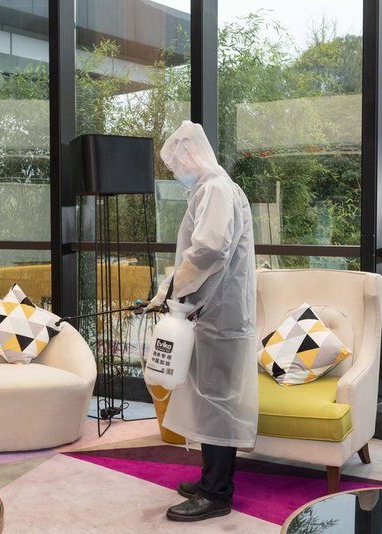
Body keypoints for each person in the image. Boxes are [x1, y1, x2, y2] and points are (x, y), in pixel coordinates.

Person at [147, 120, 258, 522]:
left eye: (177, 162)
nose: (177, 170)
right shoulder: (215, 188)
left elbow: (208, 251)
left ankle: (216, 493)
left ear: (192, 153)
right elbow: (202, 254)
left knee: (218, 402)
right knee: (210, 399)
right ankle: (210, 479)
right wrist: (171, 293)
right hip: (213, 314)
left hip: (220, 318)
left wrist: (170, 290)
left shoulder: (215, 189)